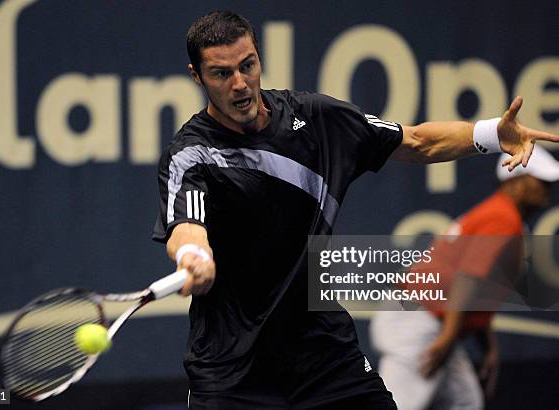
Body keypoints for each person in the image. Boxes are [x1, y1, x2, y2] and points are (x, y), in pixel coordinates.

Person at [152, 10, 559, 409]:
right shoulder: (192, 154)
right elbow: (187, 227)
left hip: (324, 354)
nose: (240, 84)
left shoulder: (316, 119)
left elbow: (418, 142)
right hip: (233, 371)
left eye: (248, 65)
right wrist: (193, 255)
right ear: (197, 76)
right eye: (222, 74)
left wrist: (490, 133)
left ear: (259, 56)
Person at [370, 145, 559, 410]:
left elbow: (475, 287)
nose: (547, 190)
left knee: (465, 402)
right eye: (541, 181)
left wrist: (485, 343)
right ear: (515, 181)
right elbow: (466, 278)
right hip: (418, 319)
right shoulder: (502, 218)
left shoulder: (499, 214)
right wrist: (448, 338)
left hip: (429, 316)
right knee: (401, 404)